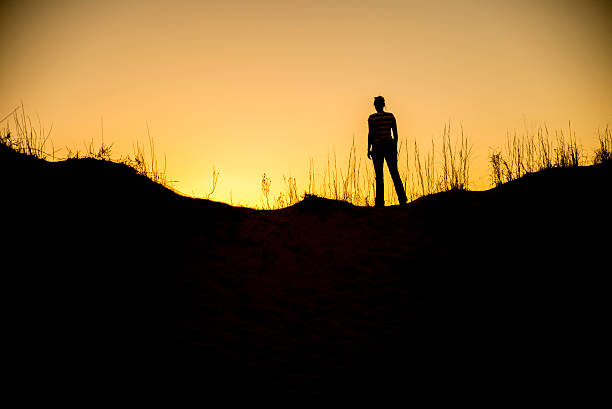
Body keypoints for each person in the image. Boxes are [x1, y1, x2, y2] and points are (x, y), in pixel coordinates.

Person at [367, 96, 407, 207]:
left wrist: (368, 148)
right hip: (389, 146)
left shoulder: (372, 118)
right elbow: (395, 133)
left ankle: (380, 202)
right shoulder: (390, 116)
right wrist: (394, 146)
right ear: (383, 104)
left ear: (375, 105)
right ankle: (402, 199)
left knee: (379, 175)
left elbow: (370, 134)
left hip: (377, 147)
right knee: (394, 172)